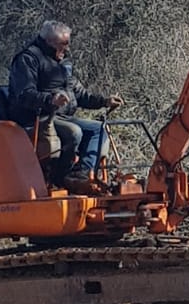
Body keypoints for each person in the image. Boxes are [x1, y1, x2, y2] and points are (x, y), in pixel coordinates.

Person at [8, 21, 122, 189]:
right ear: (49, 41)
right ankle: (60, 178)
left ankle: (82, 175)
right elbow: (24, 94)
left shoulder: (62, 64)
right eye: (63, 44)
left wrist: (103, 101)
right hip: (39, 117)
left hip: (62, 116)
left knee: (99, 129)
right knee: (74, 132)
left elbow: (80, 94)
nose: (67, 48)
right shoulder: (28, 59)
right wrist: (50, 100)